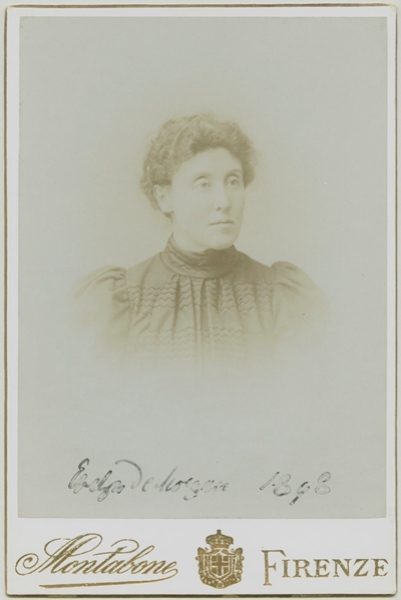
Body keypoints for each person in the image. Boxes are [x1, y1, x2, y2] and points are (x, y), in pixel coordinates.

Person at [73, 113, 329, 369]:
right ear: (164, 198)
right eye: (203, 184)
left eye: (233, 181)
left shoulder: (281, 295)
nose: (224, 201)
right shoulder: (120, 300)